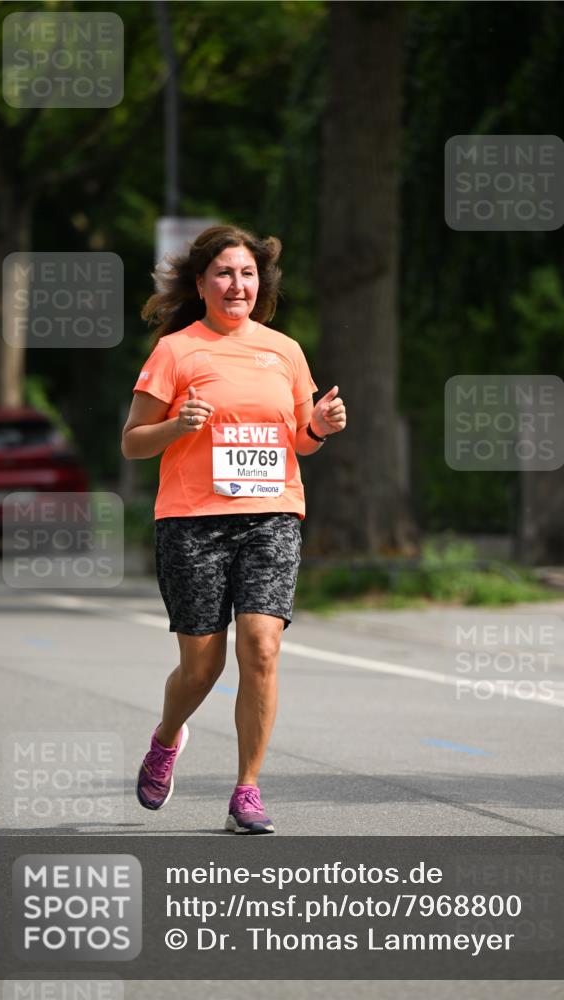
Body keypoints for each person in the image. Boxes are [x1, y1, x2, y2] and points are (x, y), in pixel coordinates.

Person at [121, 224, 346, 834]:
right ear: (201, 284)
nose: (236, 284)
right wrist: (177, 426)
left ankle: (247, 790)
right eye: (223, 273)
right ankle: (167, 739)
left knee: (262, 647)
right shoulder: (176, 351)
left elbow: (298, 439)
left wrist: (320, 425)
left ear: (260, 284)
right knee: (202, 667)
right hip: (192, 522)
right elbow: (134, 442)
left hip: (272, 514)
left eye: (247, 273)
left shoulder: (285, 351)